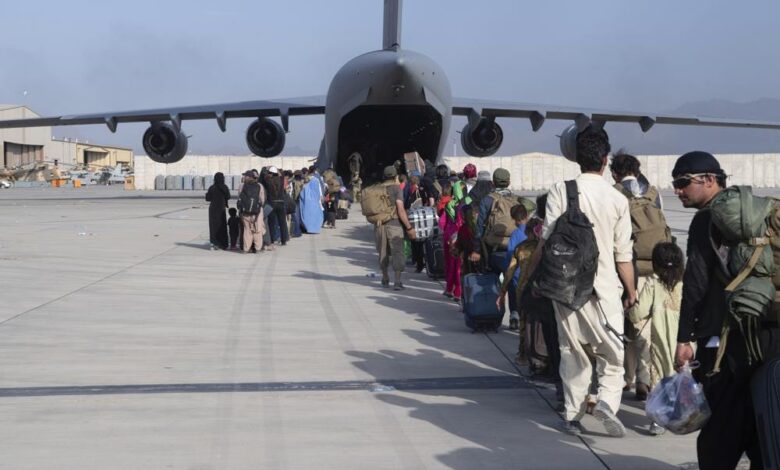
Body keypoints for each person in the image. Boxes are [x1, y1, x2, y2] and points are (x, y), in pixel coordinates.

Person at [529, 125, 635, 437]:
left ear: (577, 159)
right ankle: (606, 403)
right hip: (604, 291)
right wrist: (630, 291)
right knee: (613, 356)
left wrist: (532, 277)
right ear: (605, 160)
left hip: (566, 288)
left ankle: (572, 416)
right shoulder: (618, 200)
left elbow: (545, 241)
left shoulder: (562, 191)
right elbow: (623, 256)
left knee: (572, 353)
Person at [671, 151, 764, 469]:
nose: (677, 190)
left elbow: (694, 282)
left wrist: (684, 338)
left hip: (722, 341)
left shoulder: (705, 220)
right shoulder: (757, 214)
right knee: (762, 419)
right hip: (767, 334)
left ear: (710, 179)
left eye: (683, 182)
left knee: (720, 426)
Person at [610, 152, 669, 400]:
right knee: (644, 325)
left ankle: (628, 377)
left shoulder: (613, 194)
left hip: (625, 270)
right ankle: (645, 379)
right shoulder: (654, 195)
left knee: (624, 326)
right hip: (654, 270)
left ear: (614, 173)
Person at [627, 242, 684, 435]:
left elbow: (639, 312)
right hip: (685, 341)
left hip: (661, 340)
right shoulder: (685, 283)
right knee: (682, 378)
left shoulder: (653, 282)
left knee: (660, 378)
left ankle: (659, 422)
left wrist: (630, 311)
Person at [374, 165, 416, 290]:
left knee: (382, 252)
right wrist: (409, 227)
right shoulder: (397, 189)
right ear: (395, 176)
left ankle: (385, 277)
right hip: (394, 225)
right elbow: (401, 210)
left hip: (379, 225)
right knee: (397, 252)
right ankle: (397, 281)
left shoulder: (377, 188)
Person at [500, 204, 529, 330]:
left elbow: (510, 256)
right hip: (531, 274)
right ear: (526, 216)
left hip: (518, 274)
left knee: (511, 285)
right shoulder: (534, 230)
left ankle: (514, 315)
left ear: (514, 219)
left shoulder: (516, 234)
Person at [237, 171, 265, 254]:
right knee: (257, 230)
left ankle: (246, 249)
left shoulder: (242, 185)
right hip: (257, 213)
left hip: (245, 212)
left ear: (247, 177)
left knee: (247, 230)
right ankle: (258, 248)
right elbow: (262, 199)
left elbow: (240, 197)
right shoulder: (259, 186)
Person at [205, 172, 230, 250]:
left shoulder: (212, 187)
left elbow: (208, 198)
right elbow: (228, 197)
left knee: (213, 227)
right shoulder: (225, 187)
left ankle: (214, 243)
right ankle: (223, 244)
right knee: (222, 226)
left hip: (213, 209)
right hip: (221, 209)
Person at [265, 166, 290, 246]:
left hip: (271, 203)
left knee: (271, 223)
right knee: (282, 223)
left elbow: (263, 175)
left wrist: (267, 169)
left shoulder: (268, 181)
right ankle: (284, 240)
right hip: (280, 203)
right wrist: (276, 169)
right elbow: (282, 174)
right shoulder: (281, 180)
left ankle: (272, 240)